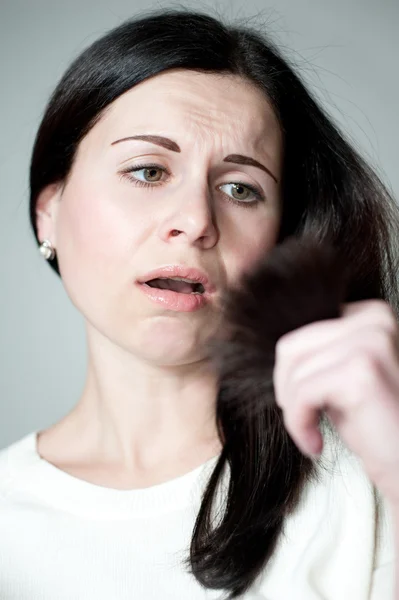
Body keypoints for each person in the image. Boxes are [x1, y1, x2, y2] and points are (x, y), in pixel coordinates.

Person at [1, 8, 398, 600]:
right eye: (147, 170)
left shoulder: (371, 477)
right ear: (49, 211)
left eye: (241, 189)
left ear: (280, 239)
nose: (195, 221)